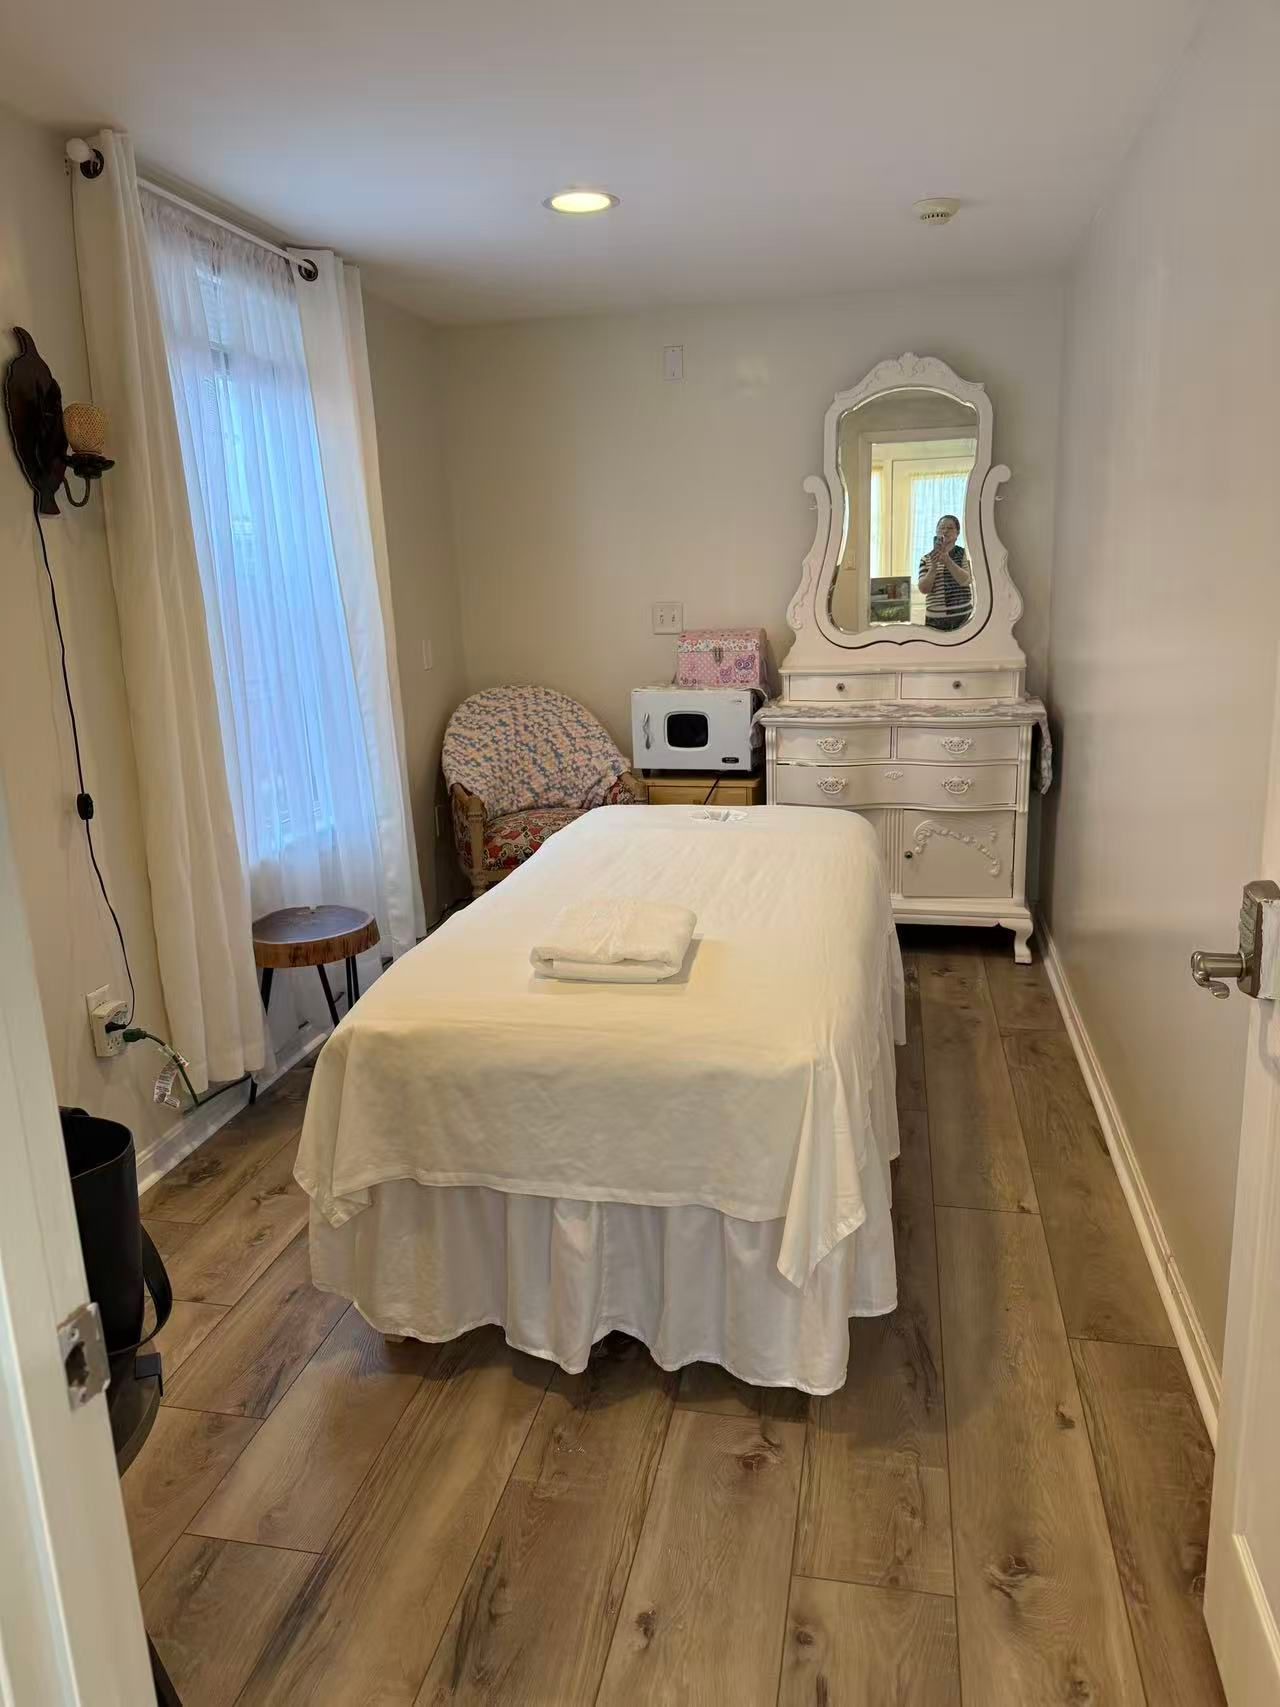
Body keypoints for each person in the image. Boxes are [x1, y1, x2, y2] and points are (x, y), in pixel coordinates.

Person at [918, 513, 973, 632]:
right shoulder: (926, 558)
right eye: (942, 527)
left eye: (950, 528)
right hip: (935, 620)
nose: (945, 531)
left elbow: (966, 580)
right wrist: (933, 567)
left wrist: (948, 561)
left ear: (957, 533)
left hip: (963, 617)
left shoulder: (964, 554)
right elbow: (924, 589)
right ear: (936, 531)